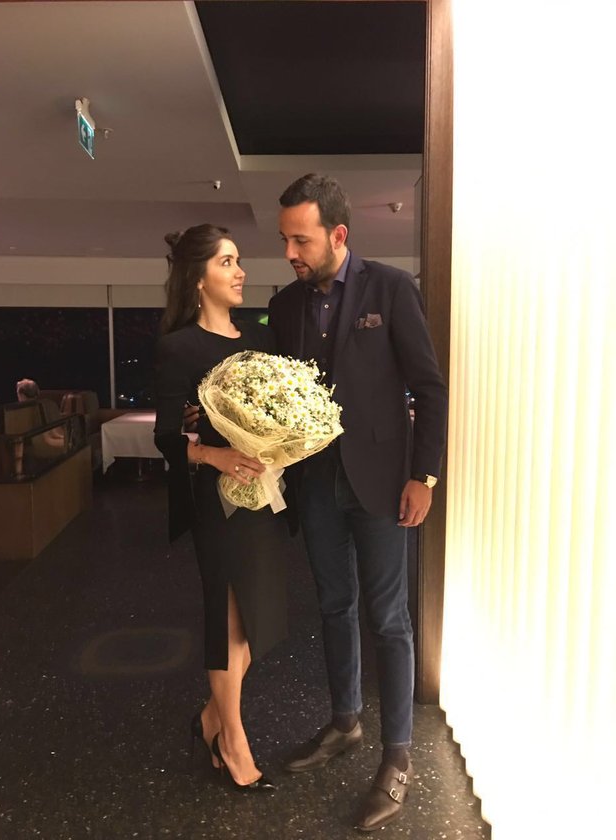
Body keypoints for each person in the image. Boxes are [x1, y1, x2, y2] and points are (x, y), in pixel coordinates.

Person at [268, 174, 449, 831]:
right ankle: (344, 721)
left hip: (381, 483)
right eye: (285, 239)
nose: (290, 251)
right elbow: (284, 396)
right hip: (316, 484)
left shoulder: (391, 289)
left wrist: (423, 477)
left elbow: (429, 388)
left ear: (338, 234)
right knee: (333, 604)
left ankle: (397, 755)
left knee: (390, 619)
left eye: (301, 240)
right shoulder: (284, 306)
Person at [153, 224, 291, 793]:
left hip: (263, 496)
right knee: (229, 617)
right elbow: (167, 438)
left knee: (257, 620)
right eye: (227, 262)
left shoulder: (258, 341)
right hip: (216, 503)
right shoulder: (178, 347)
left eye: (238, 261)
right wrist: (214, 455)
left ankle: (211, 720)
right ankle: (233, 743)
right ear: (198, 277)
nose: (240, 272)